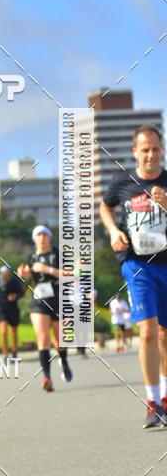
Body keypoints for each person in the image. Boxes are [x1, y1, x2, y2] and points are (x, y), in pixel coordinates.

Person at [99, 125, 167, 429]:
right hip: (137, 264)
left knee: (165, 335)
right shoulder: (123, 183)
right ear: (135, 152)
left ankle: (165, 398)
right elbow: (104, 206)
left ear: (162, 150)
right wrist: (114, 231)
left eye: (155, 148)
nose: (150, 154)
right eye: (145, 149)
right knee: (148, 332)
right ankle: (152, 402)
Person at [17, 225, 73, 391]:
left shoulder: (59, 254)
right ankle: (47, 378)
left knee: (59, 340)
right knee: (42, 339)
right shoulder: (32, 257)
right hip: (39, 300)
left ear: (49, 237)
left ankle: (63, 361)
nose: (41, 238)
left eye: (44, 234)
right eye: (38, 235)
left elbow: (71, 274)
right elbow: (29, 276)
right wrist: (24, 274)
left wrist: (47, 269)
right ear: (34, 239)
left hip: (59, 298)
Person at [0, 265, 24, 358]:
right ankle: (5, 354)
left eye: (8, 274)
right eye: (4, 274)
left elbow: (21, 293)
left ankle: (14, 352)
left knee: (13, 333)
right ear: (1, 274)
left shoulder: (14, 281)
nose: (7, 275)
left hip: (13, 309)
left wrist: (15, 296)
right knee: (3, 331)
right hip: (1, 309)